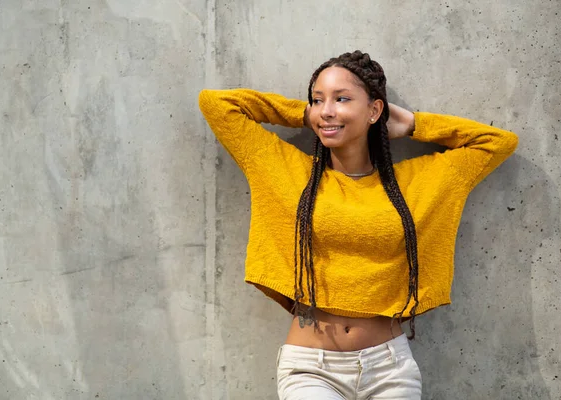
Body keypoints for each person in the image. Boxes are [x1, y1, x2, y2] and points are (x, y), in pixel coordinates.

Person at [198, 50, 518, 399]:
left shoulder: (418, 182)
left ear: (375, 110)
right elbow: (216, 104)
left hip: (390, 370)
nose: (328, 109)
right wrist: (306, 115)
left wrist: (413, 124)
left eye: (342, 98)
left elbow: (497, 143)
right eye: (318, 99)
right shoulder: (284, 169)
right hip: (310, 369)